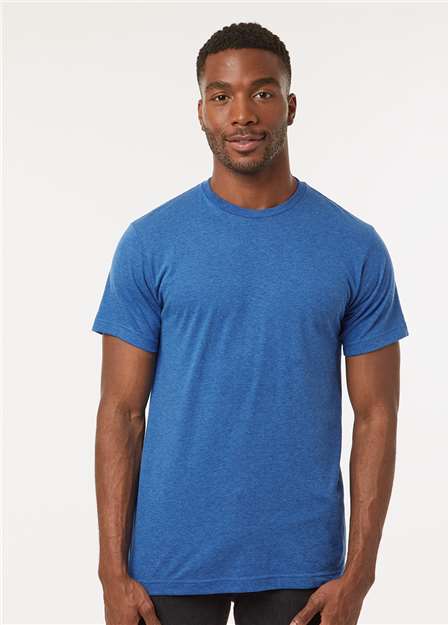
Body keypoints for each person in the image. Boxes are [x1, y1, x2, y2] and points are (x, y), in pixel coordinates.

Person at [92, 21, 409, 625]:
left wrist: (359, 575)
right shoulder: (149, 243)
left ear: (290, 105)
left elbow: (377, 414)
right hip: (169, 561)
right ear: (201, 112)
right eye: (221, 96)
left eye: (262, 93)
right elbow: (121, 411)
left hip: (302, 565)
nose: (242, 114)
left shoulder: (354, 247)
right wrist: (111, 572)